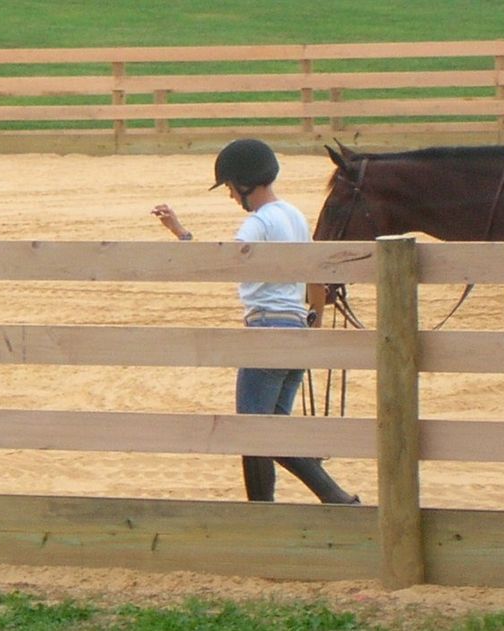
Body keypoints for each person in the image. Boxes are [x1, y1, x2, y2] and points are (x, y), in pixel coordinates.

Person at [150, 138, 361, 505]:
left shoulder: (258, 224)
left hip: (265, 331)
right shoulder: (294, 215)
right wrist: (315, 319)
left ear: (245, 183)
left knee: (250, 431)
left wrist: (181, 234)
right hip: (296, 329)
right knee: (273, 431)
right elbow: (315, 274)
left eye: (231, 187)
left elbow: (221, 263)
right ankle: (335, 498)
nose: (231, 195)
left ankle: (264, 511)